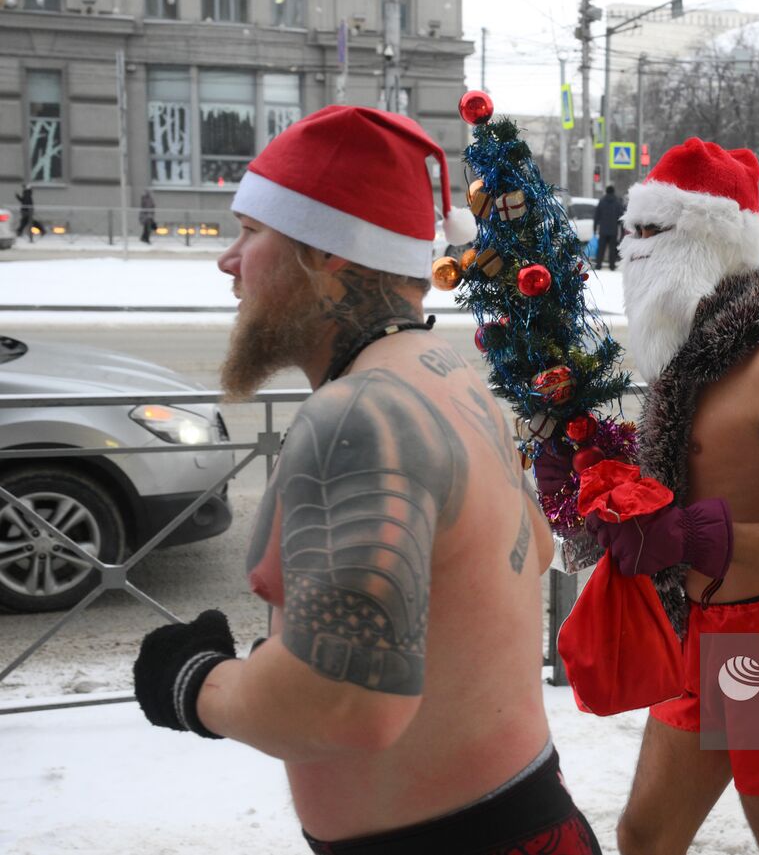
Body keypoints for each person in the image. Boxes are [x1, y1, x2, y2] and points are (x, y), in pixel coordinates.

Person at [131, 106, 601, 855]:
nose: (230, 260)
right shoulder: (450, 378)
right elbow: (522, 556)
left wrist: (193, 681)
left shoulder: (359, 415)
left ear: (329, 257)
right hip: (517, 817)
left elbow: (348, 702)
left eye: (252, 233)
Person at [579, 137, 759, 854]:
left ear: (710, 241)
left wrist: (693, 535)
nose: (633, 251)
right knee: (644, 835)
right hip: (696, 630)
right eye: (632, 232)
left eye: (653, 232)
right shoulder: (692, 358)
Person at [593, 184, 624, 271]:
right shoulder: (617, 202)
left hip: (603, 230)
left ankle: (598, 265)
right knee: (612, 249)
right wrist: (621, 230)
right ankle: (612, 266)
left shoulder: (602, 201)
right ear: (613, 192)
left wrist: (595, 228)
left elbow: (596, 216)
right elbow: (621, 217)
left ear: (606, 191)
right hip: (613, 230)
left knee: (601, 248)